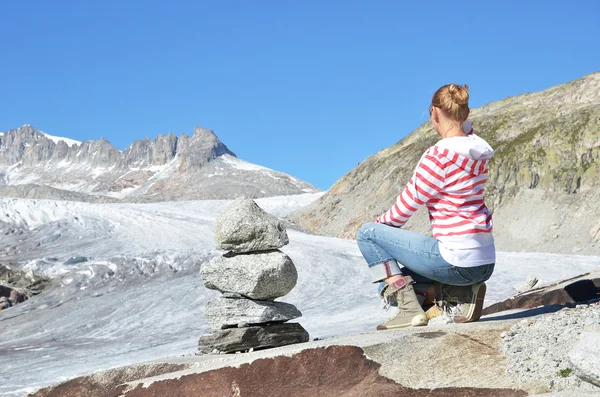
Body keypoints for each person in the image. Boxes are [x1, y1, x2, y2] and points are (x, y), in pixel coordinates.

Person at [357, 84, 496, 330]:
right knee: (397, 281)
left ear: (434, 114)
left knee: (367, 235)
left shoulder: (438, 157)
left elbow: (403, 211)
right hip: (484, 263)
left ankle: (411, 311)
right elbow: (466, 131)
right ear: (466, 113)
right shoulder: (477, 152)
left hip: (457, 259)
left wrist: (377, 234)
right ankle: (460, 294)